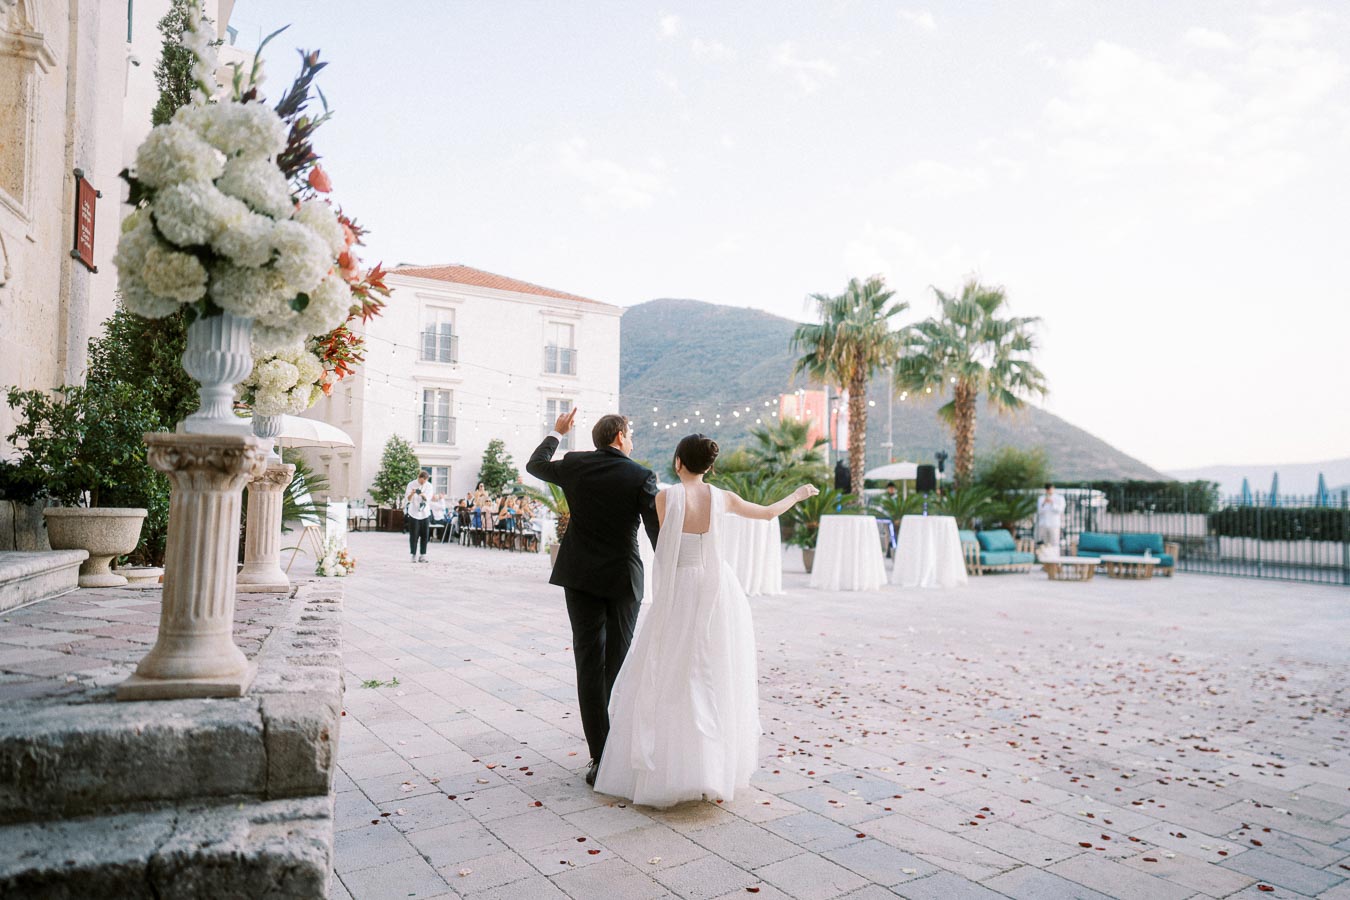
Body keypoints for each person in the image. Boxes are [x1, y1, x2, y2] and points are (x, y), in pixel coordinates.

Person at [594, 434, 817, 807]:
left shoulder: (665, 498)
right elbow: (765, 513)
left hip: (680, 587)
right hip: (717, 589)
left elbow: (663, 541)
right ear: (710, 466)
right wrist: (797, 495)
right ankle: (708, 768)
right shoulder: (723, 498)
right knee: (712, 672)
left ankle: (669, 763)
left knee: (670, 670)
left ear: (678, 462)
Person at [527, 408, 660, 787]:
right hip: (622, 579)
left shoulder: (574, 464)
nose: (631, 440)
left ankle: (600, 757)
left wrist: (557, 432)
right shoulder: (641, 476)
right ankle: (615, 749)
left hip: (580, 576)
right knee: (615, 662)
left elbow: (536, 464)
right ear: (619, 436)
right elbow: (655, 534)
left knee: (588, 662)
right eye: (630, 433)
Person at [404, 471, 433, 563]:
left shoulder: (429, 486)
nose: (422, 483)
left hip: (425, 513)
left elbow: (428, 499)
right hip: (414, 513)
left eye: (424, 481)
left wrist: (422, 494)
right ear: (419, 478)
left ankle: (423, 555)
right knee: (414, 535)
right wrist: (412, 493)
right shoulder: (411, 484)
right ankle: (413, 554)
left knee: (425, 535)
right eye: (421, 481)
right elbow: (408, 499)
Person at [1036, 483, 1065, 555]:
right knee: (1044, 543)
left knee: (1054, 543)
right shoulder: (1041, 498)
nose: (1049, 491)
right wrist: (1044, 503)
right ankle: (1046, 562)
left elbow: (1060, 510)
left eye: (1050, 489)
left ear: (1053, 488)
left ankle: (1056, 560)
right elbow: (1039, 511)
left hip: (1054, 524)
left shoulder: (1059, 498)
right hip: (1043, 524)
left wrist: (1052, 503)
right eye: (1047, 489)